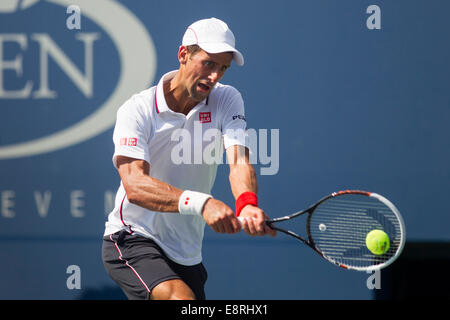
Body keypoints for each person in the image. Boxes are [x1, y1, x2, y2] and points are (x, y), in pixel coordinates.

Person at [102, 17, 276, 301]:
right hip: (132, 237)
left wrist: (247, 204)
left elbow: (239, 162)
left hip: (186, 251)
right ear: (183, 54)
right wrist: (202, 203)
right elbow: (135, 186)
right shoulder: (137, 110)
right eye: (208, 63)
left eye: (222, 68)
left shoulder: (227, 99)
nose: (215, 76)